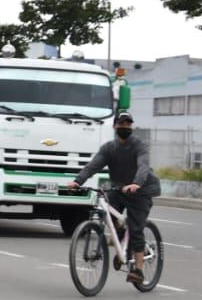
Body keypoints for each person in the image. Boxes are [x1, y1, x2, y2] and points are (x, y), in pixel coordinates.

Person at [68, 111, 162, 286]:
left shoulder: (139, 145)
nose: (124, 127)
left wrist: (136, 183)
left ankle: (139, 270)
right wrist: (77, 181)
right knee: (107, 211)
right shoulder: (109, 148)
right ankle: (119, 236)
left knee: (135, 228)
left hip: (141, 190)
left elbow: (143, 166)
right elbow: (93, 166)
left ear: (131, 126)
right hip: (119, 188)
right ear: (114, 127)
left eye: (128, 124)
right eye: (121, 124)